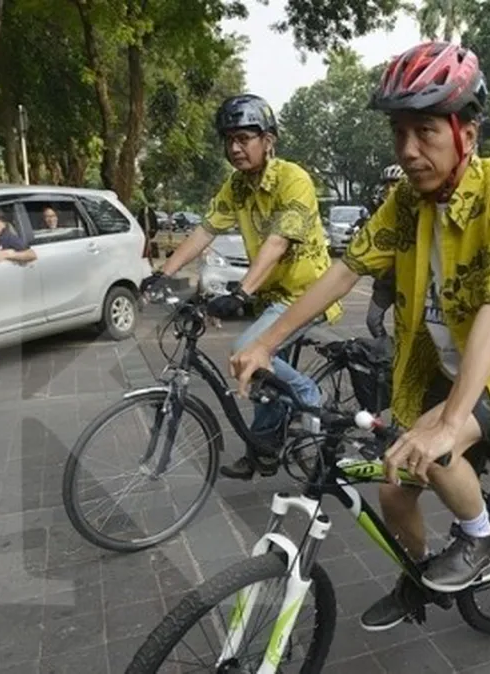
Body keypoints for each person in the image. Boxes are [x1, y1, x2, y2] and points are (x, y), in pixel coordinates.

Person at [227, 42, 490, 631]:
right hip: (442, 366)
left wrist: (449, 421)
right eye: (399, 133)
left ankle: (480, 536)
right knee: (392, 487)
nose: (409, 150)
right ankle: (417, 579)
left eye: (426, 131)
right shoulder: (406, 202)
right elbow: (345, 270)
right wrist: (266, 342)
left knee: (434, 448)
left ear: (467, 132)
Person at [140, 94, 341, 480]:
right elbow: (205, 230)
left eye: (245, 138)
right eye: (229, 140)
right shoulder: (236, 186)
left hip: (309, 293)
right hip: (271, 297)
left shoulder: (294, 180)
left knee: (246, 350)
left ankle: (310, 397)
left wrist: (241, 292)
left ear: (269, 140)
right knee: (263, 377)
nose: (235, 148)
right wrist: (163, 273)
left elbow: (278, 242)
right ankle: (263, 451)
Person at [366, 165, 405, 339]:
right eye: (387, 184)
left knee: (405, 326)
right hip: (385, 280)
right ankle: (387, 350)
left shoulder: (417, 210)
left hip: (407, 280)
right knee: (372, 321)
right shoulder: (379, 211)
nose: (390, 188)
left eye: (394, 184)